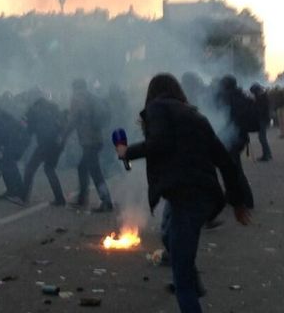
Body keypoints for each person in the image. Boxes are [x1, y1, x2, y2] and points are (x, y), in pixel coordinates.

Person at [116, 73, 251, 313]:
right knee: (168, 233)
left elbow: (160, 143)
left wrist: (127, 153)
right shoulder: (194, 115)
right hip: (201, 195)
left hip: (187, 195)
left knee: (181, 282)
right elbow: (224, 160)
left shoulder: (158, 107)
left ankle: (189, 283)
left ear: (152, 92)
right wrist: (237, 202)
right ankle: (192, 279)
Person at [64, 79, 113, 212]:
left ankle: (106, 201)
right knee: (82, 167)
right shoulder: (91, 97)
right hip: (96, 139)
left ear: (75, 87)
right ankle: (83, 199)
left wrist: (63, 136)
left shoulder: (77, 99)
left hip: (88, 141)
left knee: (95, 172)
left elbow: (73, 119)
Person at [216, 75, 255, 209]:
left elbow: (225, 118)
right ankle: (232, 197)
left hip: (232, 137)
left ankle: (247, 200)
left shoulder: (227, 97)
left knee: (235, 169)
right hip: (241, 137)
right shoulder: (241, 96)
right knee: (233, 167)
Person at [22, 97, 66, 206]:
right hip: (57, 143)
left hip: (45, 143)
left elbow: (29, 130)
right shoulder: (54, 109)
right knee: (49, 169)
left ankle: (23, 197)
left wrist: (25, 124)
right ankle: (60, 199)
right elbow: (63, 124)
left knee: (30, 169)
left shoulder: (34, 111)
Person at [250, 83, 272, 161]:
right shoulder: (262, 96)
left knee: (262, 138)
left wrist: (254, 104)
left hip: (263, 119)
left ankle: (267, 155)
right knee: (262, 138)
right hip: (263, 119)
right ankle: (268, 154)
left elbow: (260, 110)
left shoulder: (262, 98)